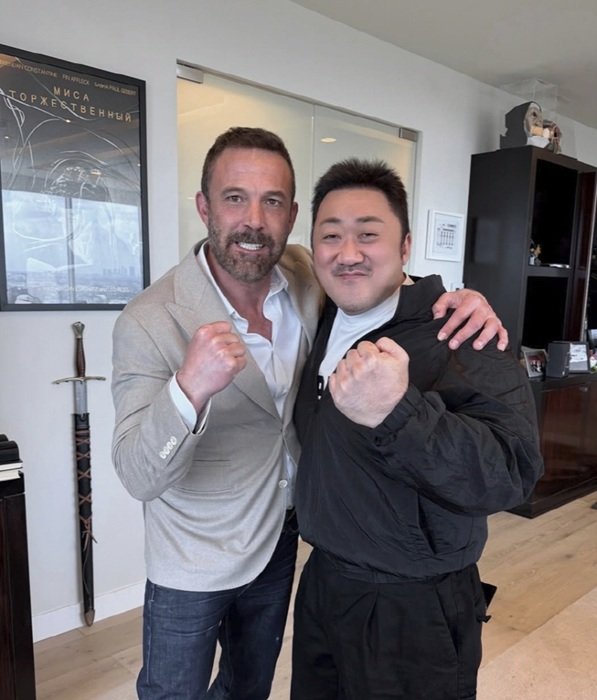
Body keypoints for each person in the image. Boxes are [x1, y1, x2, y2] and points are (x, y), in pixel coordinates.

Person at [111, 127, 508, 700]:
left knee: (249, 688)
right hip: (191, 559)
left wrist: (460, 297)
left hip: (282, 546)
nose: (253, 221)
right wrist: (188, 389)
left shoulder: (305, 276)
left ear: (292, 215)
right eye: (234, 198)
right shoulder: (149, 319)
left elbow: (373, 276)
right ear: (204, 207)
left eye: (272, 201)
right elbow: (137, 474)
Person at [291, 158, 544, 700]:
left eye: (368, 234)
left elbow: (512, 473)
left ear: (405, 246)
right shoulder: (324, 318)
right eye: (330, 236)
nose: (348, 253)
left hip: (414, 607)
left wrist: (398, 412)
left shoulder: (463, 333)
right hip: (324, 586)